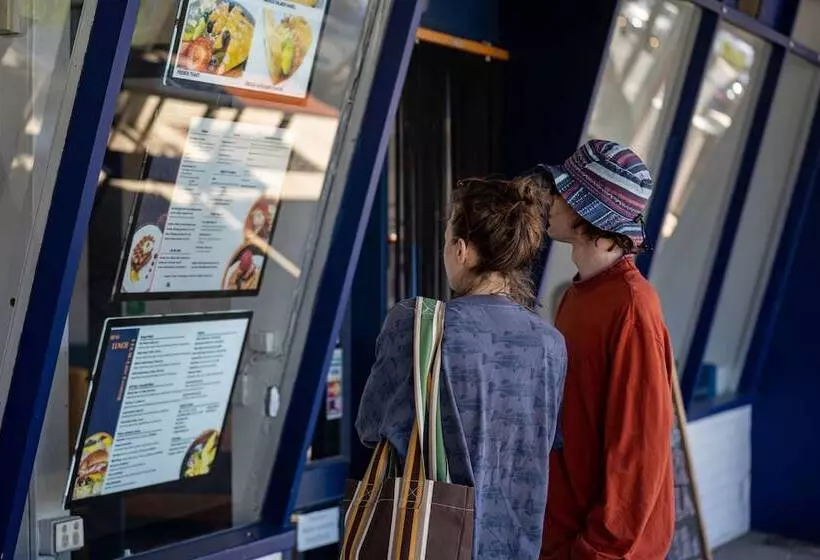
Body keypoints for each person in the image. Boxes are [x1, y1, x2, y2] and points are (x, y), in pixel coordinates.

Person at [356, 177, 568, 559]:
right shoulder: (550, 344)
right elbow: (540, 442)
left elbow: (372, 426)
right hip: (515, 545)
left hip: (426, 540)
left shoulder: (416, 325)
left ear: (461, 250)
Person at [537, 140, 676, 559]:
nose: (551, 199)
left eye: (562, 191)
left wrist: (595, 549)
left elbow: (639, 452)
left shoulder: (632, 307)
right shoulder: (579, 294)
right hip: (562, 535)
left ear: (586, 210)